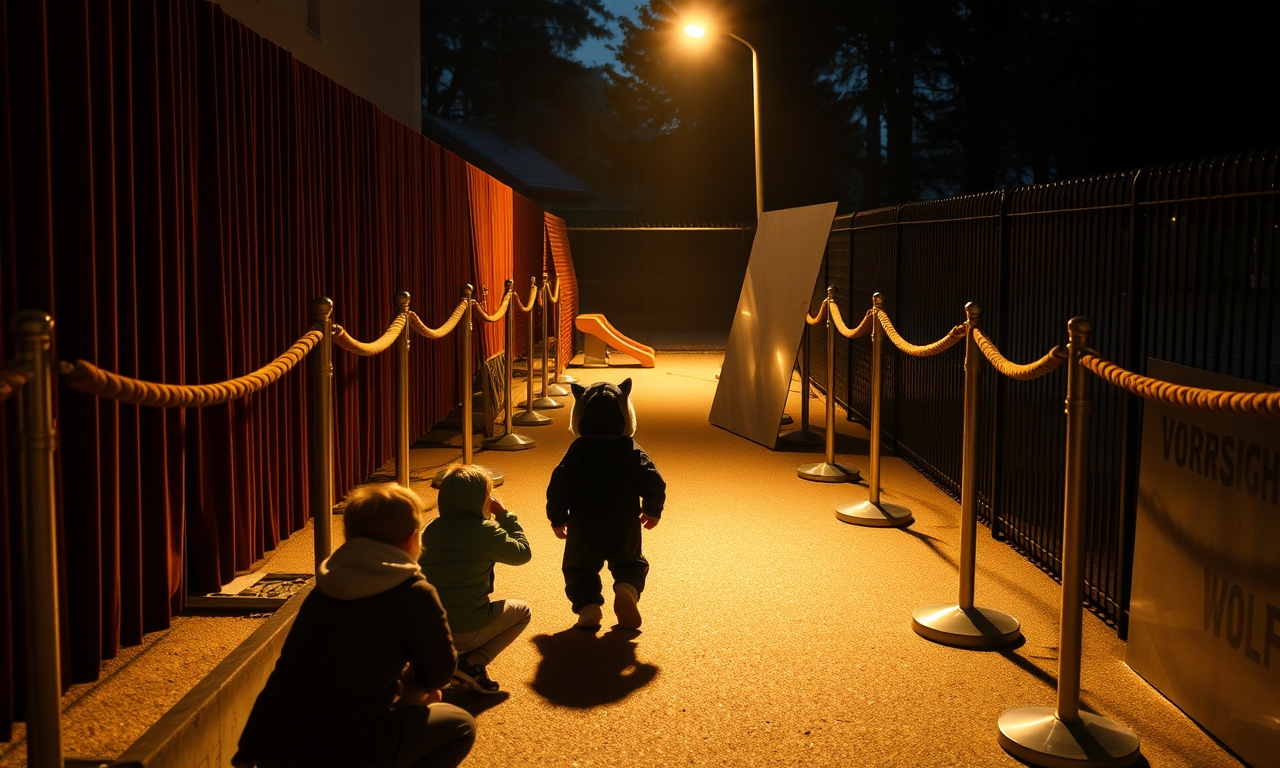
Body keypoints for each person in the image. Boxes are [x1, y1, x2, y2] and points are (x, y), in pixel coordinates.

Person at [233, 483, 475, 768]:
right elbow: (440, 669)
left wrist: (250, 747)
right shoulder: (414, 593)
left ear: (349, 536)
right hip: (350, 747)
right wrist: (415, 690)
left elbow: (289, 671)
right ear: (412, 539)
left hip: (277, 744)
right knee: (461, 725)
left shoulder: (324, 588)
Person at [546, 378, 666, 631]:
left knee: (579, 568)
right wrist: (652, 509)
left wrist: (558, 517)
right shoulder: (631, 448)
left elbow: (559, 485)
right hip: (624, 521)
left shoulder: (578, 449)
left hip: (584, 523)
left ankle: (588, 608)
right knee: (629, 562)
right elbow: (653, 479)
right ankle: (626, 589)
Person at [421, 465, 532, 695]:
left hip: (429, 628)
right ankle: (471, 663)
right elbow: (522, 553)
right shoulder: (486, 531)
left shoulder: (430, 529)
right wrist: (504, 515)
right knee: (522, 612)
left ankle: (437, 657)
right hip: (466, 630)